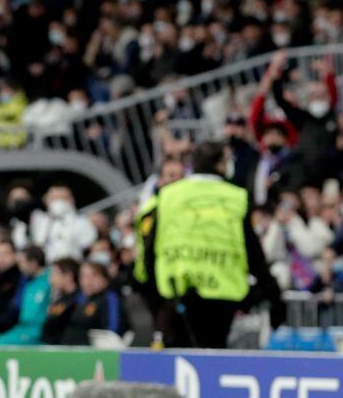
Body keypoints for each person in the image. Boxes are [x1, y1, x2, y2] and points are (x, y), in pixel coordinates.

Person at [139, 140, 283, 348]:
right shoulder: (236, 198)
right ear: (219, 165)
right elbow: (253, 254)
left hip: (176, 292)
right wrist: (272, 294)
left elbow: (150, 249)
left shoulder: (169, 195)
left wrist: (152, 293)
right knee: (212, 359)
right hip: (220, 296)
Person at [0, 245, 51, 345]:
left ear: (33, 263)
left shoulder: (50, 281)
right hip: (21, 328)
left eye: (22, 263)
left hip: (36, 331)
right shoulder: (27, 282)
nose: (20, 267)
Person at [59, 261, 127, 345]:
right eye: (83, 276)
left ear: (105, 279)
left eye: (93, 276)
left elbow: (112, 331)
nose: (87, 281)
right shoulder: (77, 299)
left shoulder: (110, 298)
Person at [41, 257, 80, 344]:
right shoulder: (59, 300)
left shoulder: (79, 301)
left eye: (54, 274)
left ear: (68, 276)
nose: (51, 280)